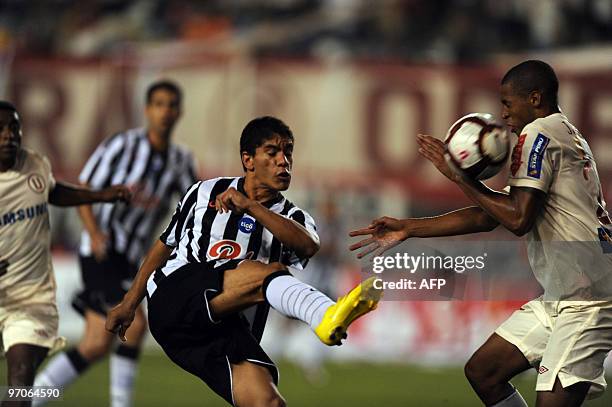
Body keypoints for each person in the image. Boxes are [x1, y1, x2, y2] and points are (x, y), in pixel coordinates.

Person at [350, 60, 612, 407]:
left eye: (507, 102)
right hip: (565, 294)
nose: (502, 113)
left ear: (534, 98)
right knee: (485, 371)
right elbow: (491, 216)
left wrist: (459, 177)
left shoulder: (538, 134)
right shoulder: (563, 133)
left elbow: (517, 219)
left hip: (587, 298)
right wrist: (409, 228)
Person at [106, 116, 381, 407]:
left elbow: (308, 245)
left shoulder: (295, 217)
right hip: (174, 300)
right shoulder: (203, 192)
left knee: (268, 402)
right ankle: (324, 315)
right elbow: (163, 245)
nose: (284, 161)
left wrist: (251, 207)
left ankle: (325, 315)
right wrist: (129, 302)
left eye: (288, 152)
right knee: (267, 272)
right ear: (248, 160)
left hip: (221, 330)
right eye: (273, 152)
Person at [34, 80, 198, 407]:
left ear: (179, 112)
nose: (165, 111)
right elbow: (83, 187)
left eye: (171, 105)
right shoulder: (122, 146)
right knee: (134, 324)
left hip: (132, 258)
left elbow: (194, 204)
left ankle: (29, 398)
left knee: (95, 344)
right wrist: (94, 232)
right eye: (159, 104)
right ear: (147, 109)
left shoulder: (180, 161)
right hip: (102, 250)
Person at [0, 101, 130, 407]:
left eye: (13, 128)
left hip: (28, 299)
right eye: (0, 130)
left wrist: (100, 195)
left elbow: (53, 192)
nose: (8, 136)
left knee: (20, 384)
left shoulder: (34, 164)